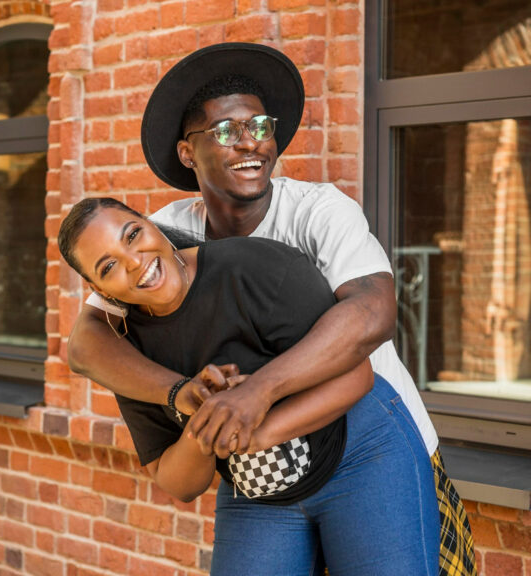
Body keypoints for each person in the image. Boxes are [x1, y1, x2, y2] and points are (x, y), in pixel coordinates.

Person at [65, 43, 475, 575]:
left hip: (359, 435)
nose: (250, 144)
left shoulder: (318, 212)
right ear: (188, 154)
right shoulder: (162, 237)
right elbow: (86, 342)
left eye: (259, 126)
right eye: (226, 132)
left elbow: (371, 316)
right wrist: (182, 398)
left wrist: (256, 395)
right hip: (260, 471)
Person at [58, 197, 439, 574]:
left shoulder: (254, 266)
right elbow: (179, 483)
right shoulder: (127, 355)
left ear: (151, 223)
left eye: (132, 235)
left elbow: (359, 375)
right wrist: (203, 424)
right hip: (258, 488)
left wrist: (254, 424)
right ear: (100, 291)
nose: (134, 261)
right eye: (109, 266)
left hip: (361, 449)